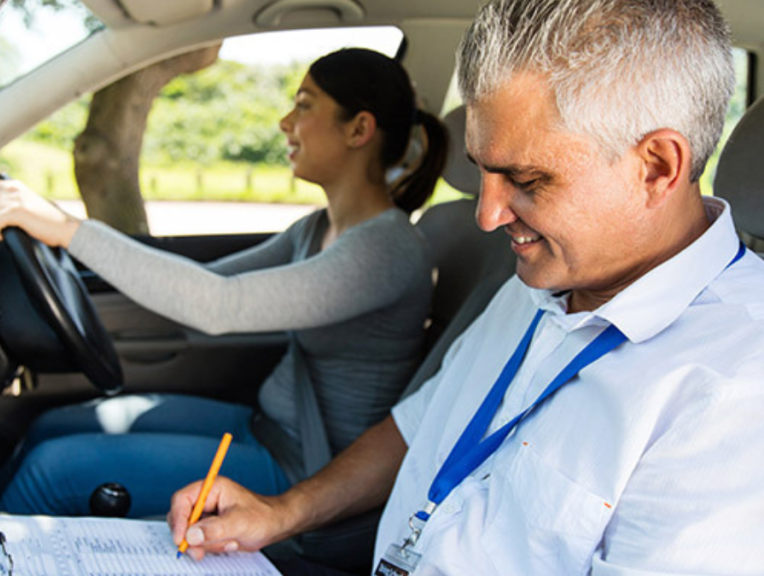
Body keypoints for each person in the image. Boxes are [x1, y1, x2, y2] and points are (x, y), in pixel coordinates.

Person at [166, 0, 764, 574]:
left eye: (528, 180)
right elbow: (419, 423)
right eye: (483, 172)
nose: (488, 216)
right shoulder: (542, 281)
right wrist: (281, 512)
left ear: (656, 167)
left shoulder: (736, 391)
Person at [0, 48, 449, 517]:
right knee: (50, 427)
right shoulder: (315, 228)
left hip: (309, 473)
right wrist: (72, 246)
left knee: (51, 471)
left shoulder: (385, 249)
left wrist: (68, 229)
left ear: (359, 129)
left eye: (304, 105)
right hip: (262, 427)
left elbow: (220, 307)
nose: (286, 122)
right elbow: (205, 283)